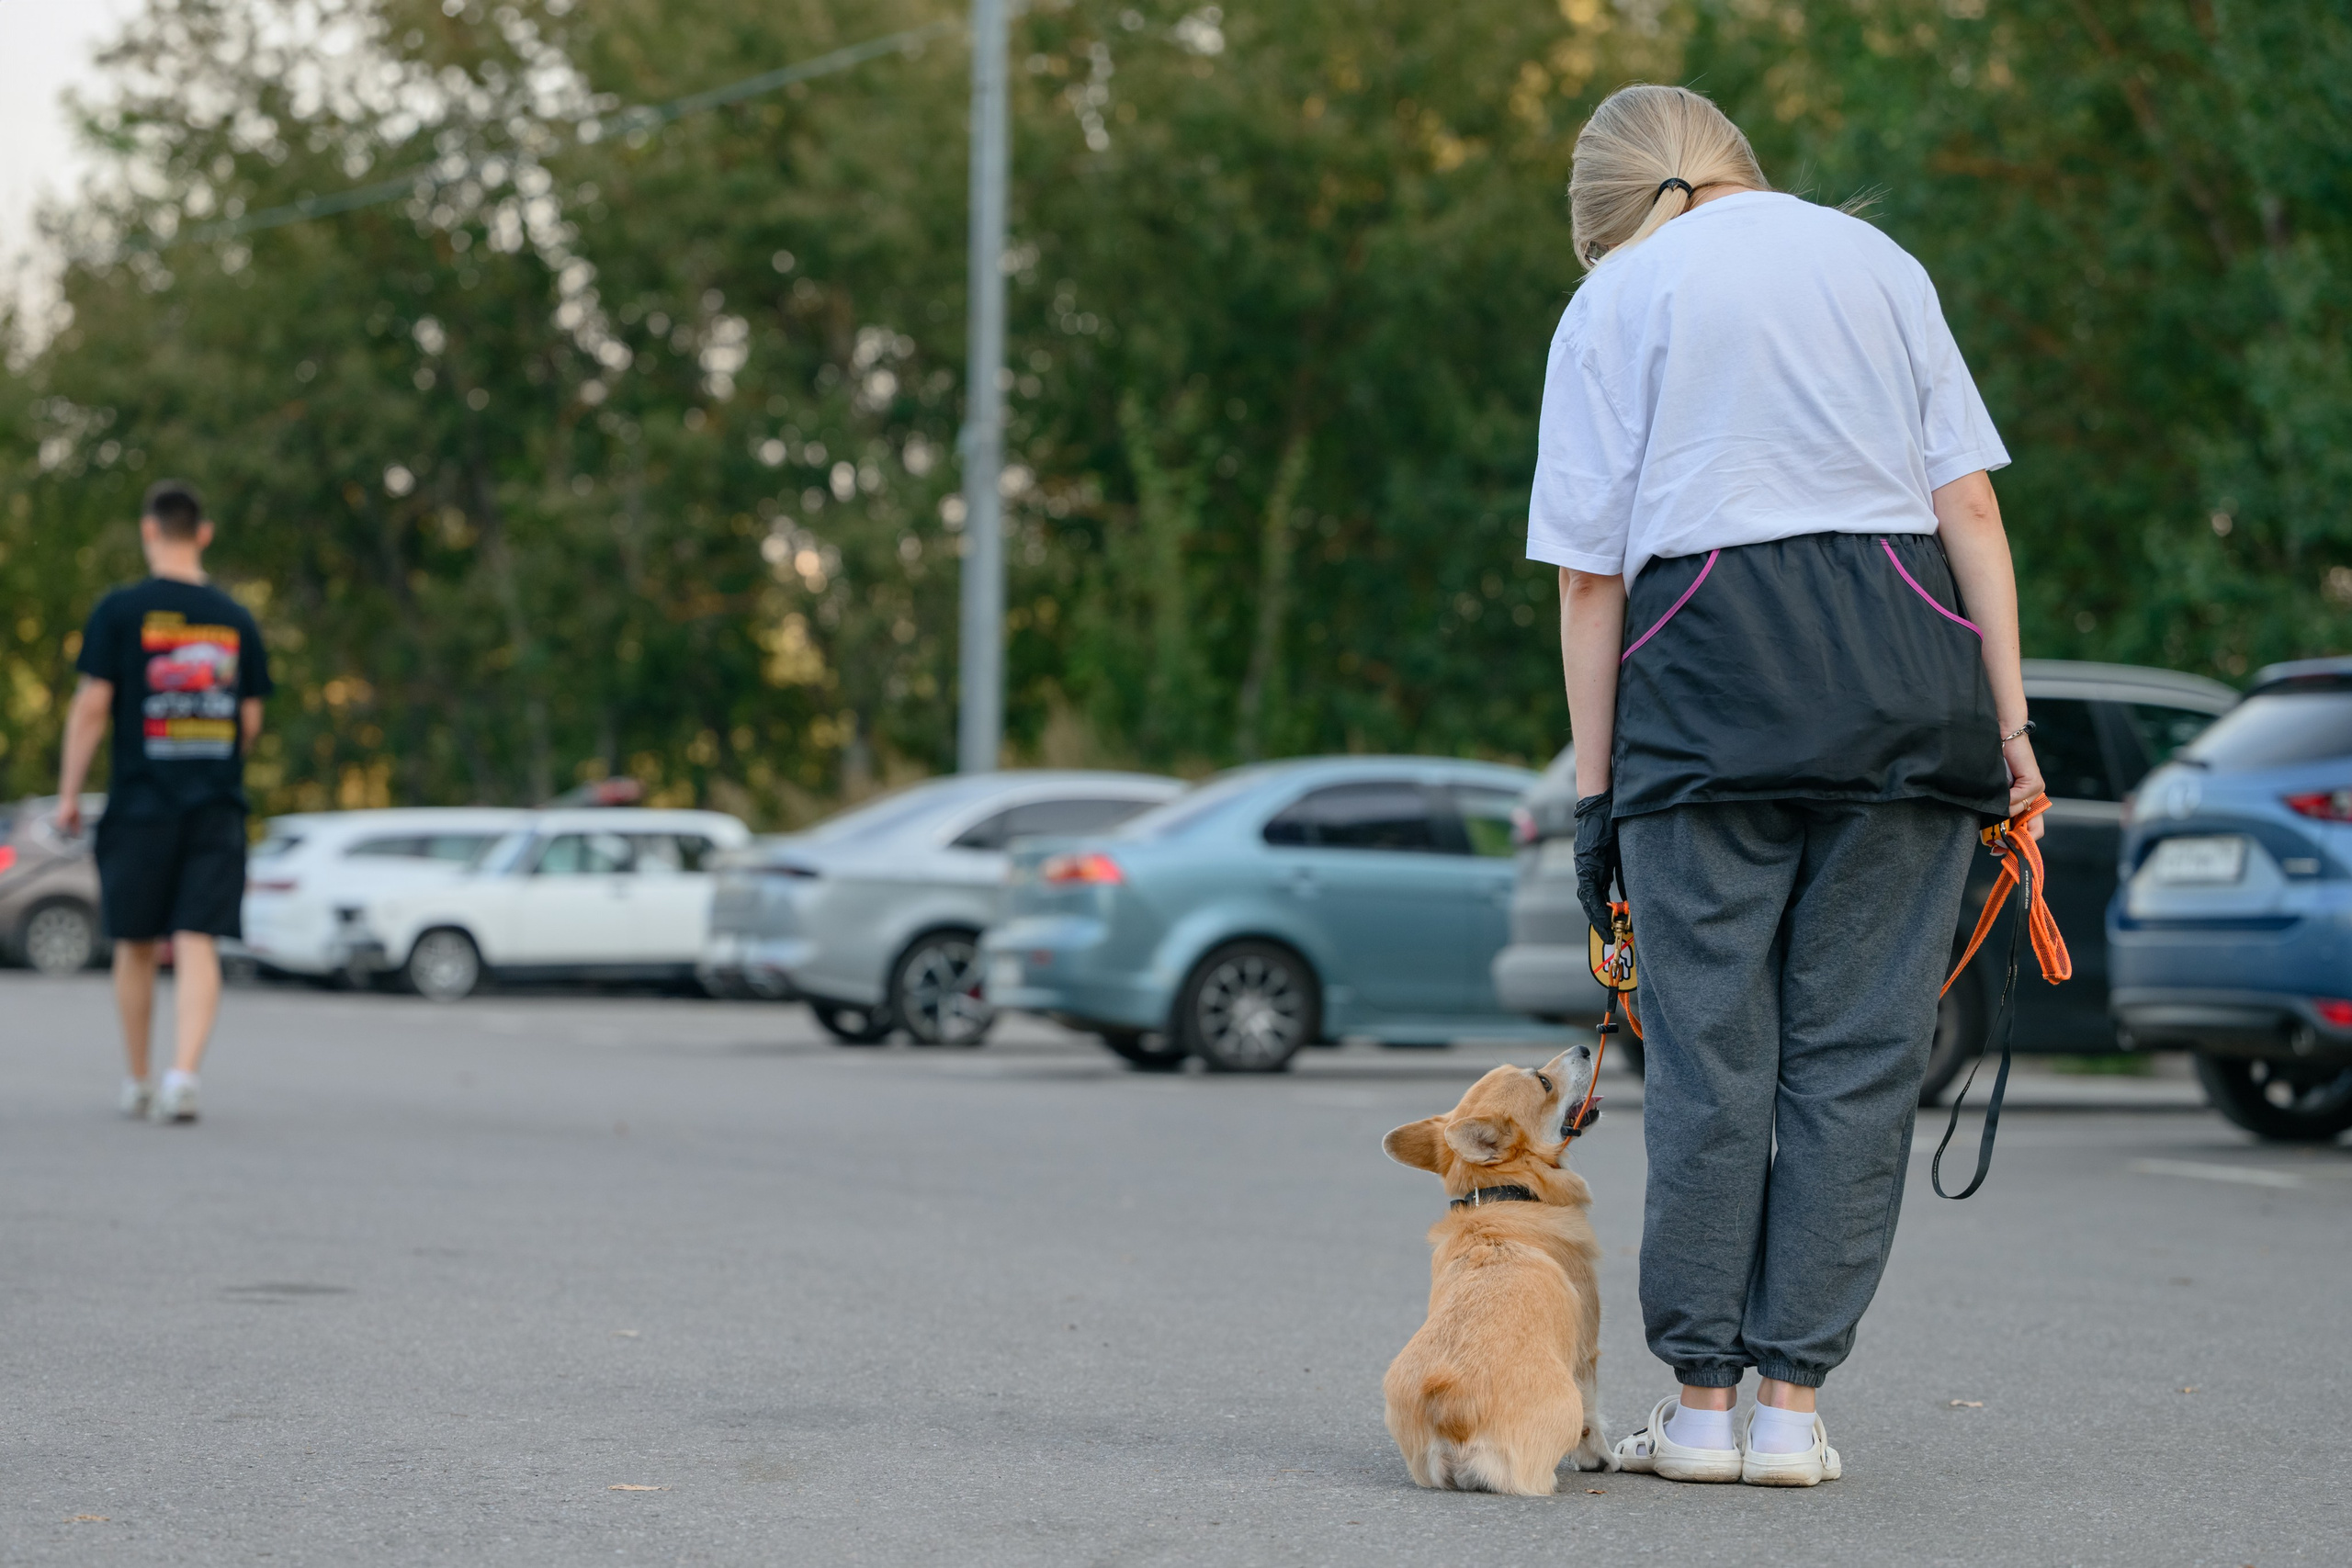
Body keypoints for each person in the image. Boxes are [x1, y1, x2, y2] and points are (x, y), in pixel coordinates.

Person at [1526, 86, 2044, 1486]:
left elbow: (1589, 577)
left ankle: (1697, 1407)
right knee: (1861, 1059)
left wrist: (1597, 799)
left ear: (1609, 210)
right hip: (1907, 680)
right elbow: (1973, 511)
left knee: (1711, 1059)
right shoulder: (1881, 264)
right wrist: (2012, 728)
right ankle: (1792, 1411)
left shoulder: (1618, 300)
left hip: (1708, 692)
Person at [56, 479, 273, 1124]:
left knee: (136, 941)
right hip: (215, 805)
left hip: (141, 804)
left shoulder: (120, 611)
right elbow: (252, 720)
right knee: (199, 935)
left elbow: (94, 706)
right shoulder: (235, 618)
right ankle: (184, 1075)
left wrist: (69, 793)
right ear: (202, 533)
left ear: (149, 530)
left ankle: (139, 1077)